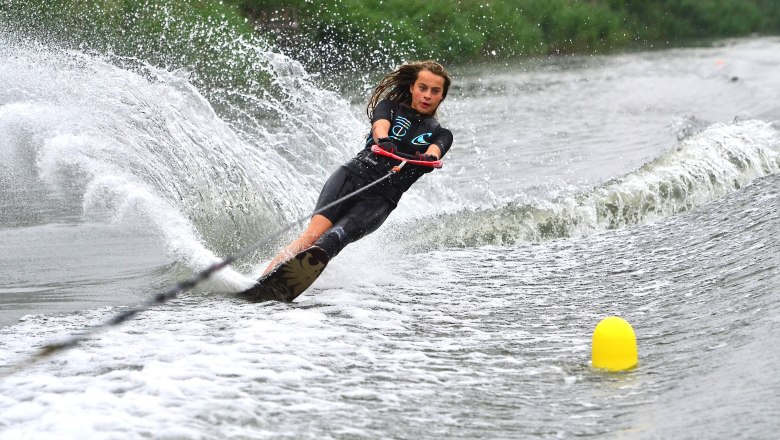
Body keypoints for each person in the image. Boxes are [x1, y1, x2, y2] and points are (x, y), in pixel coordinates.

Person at [263, 60, 453, 274]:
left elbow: (435, 151)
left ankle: (288, 281)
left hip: (381, 199)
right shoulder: (388, 107)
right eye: (422, 88)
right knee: (312, 236)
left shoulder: (442, 134)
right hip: (352, 177)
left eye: (435, 91)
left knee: (332, 240)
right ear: (412, 88)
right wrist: (383, 140)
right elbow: (380, 126)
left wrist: (428, 158)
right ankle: (263, 281)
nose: (427, 95)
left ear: (441, 96)